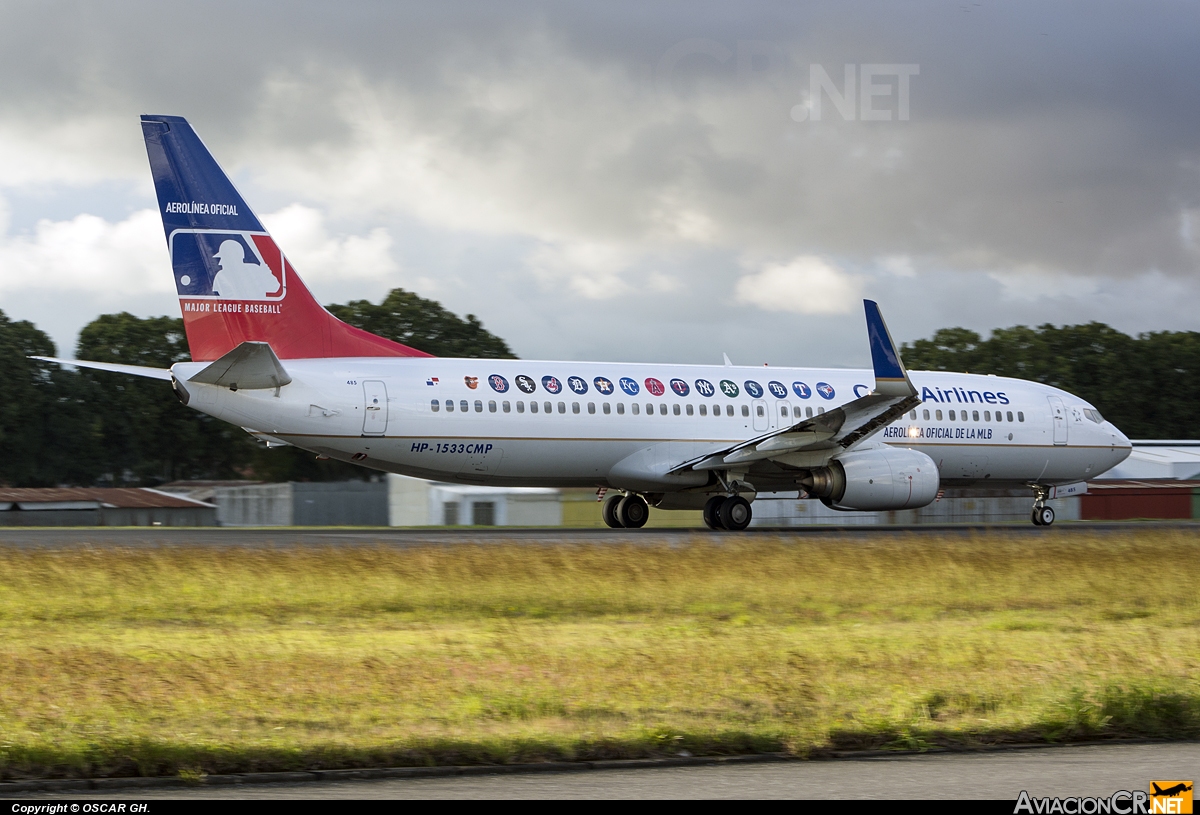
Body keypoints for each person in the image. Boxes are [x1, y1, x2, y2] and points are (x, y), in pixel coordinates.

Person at [211, 239, 279, 299]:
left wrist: (267, 274)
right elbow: (215, 298)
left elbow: (275, 288)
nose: (220, 263)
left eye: (223, 258)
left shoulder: (255, 270)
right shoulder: (220, 276)